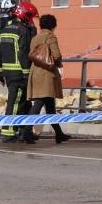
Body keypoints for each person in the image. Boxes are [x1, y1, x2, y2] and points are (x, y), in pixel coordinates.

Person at [0, 1, 38, 144]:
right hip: (19, 73)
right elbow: (23, 53)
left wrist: (0, 72)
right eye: (30, 17)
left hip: (8, 72)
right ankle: (7, 132)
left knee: (22, 102)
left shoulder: (4, 29)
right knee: (15, 103)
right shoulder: (22, 30)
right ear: (24, 16)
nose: (31, 20)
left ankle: (22, 130)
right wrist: (26, 74)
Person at [28, 14, 70, 144]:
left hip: (35, 72)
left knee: (50, 106)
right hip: (46, 74)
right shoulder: (50, 36)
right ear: (53, 25)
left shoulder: (35, 38)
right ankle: (25, 131)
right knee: (39, 104)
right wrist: (57, 63)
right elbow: (56, 55)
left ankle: (59, 134)